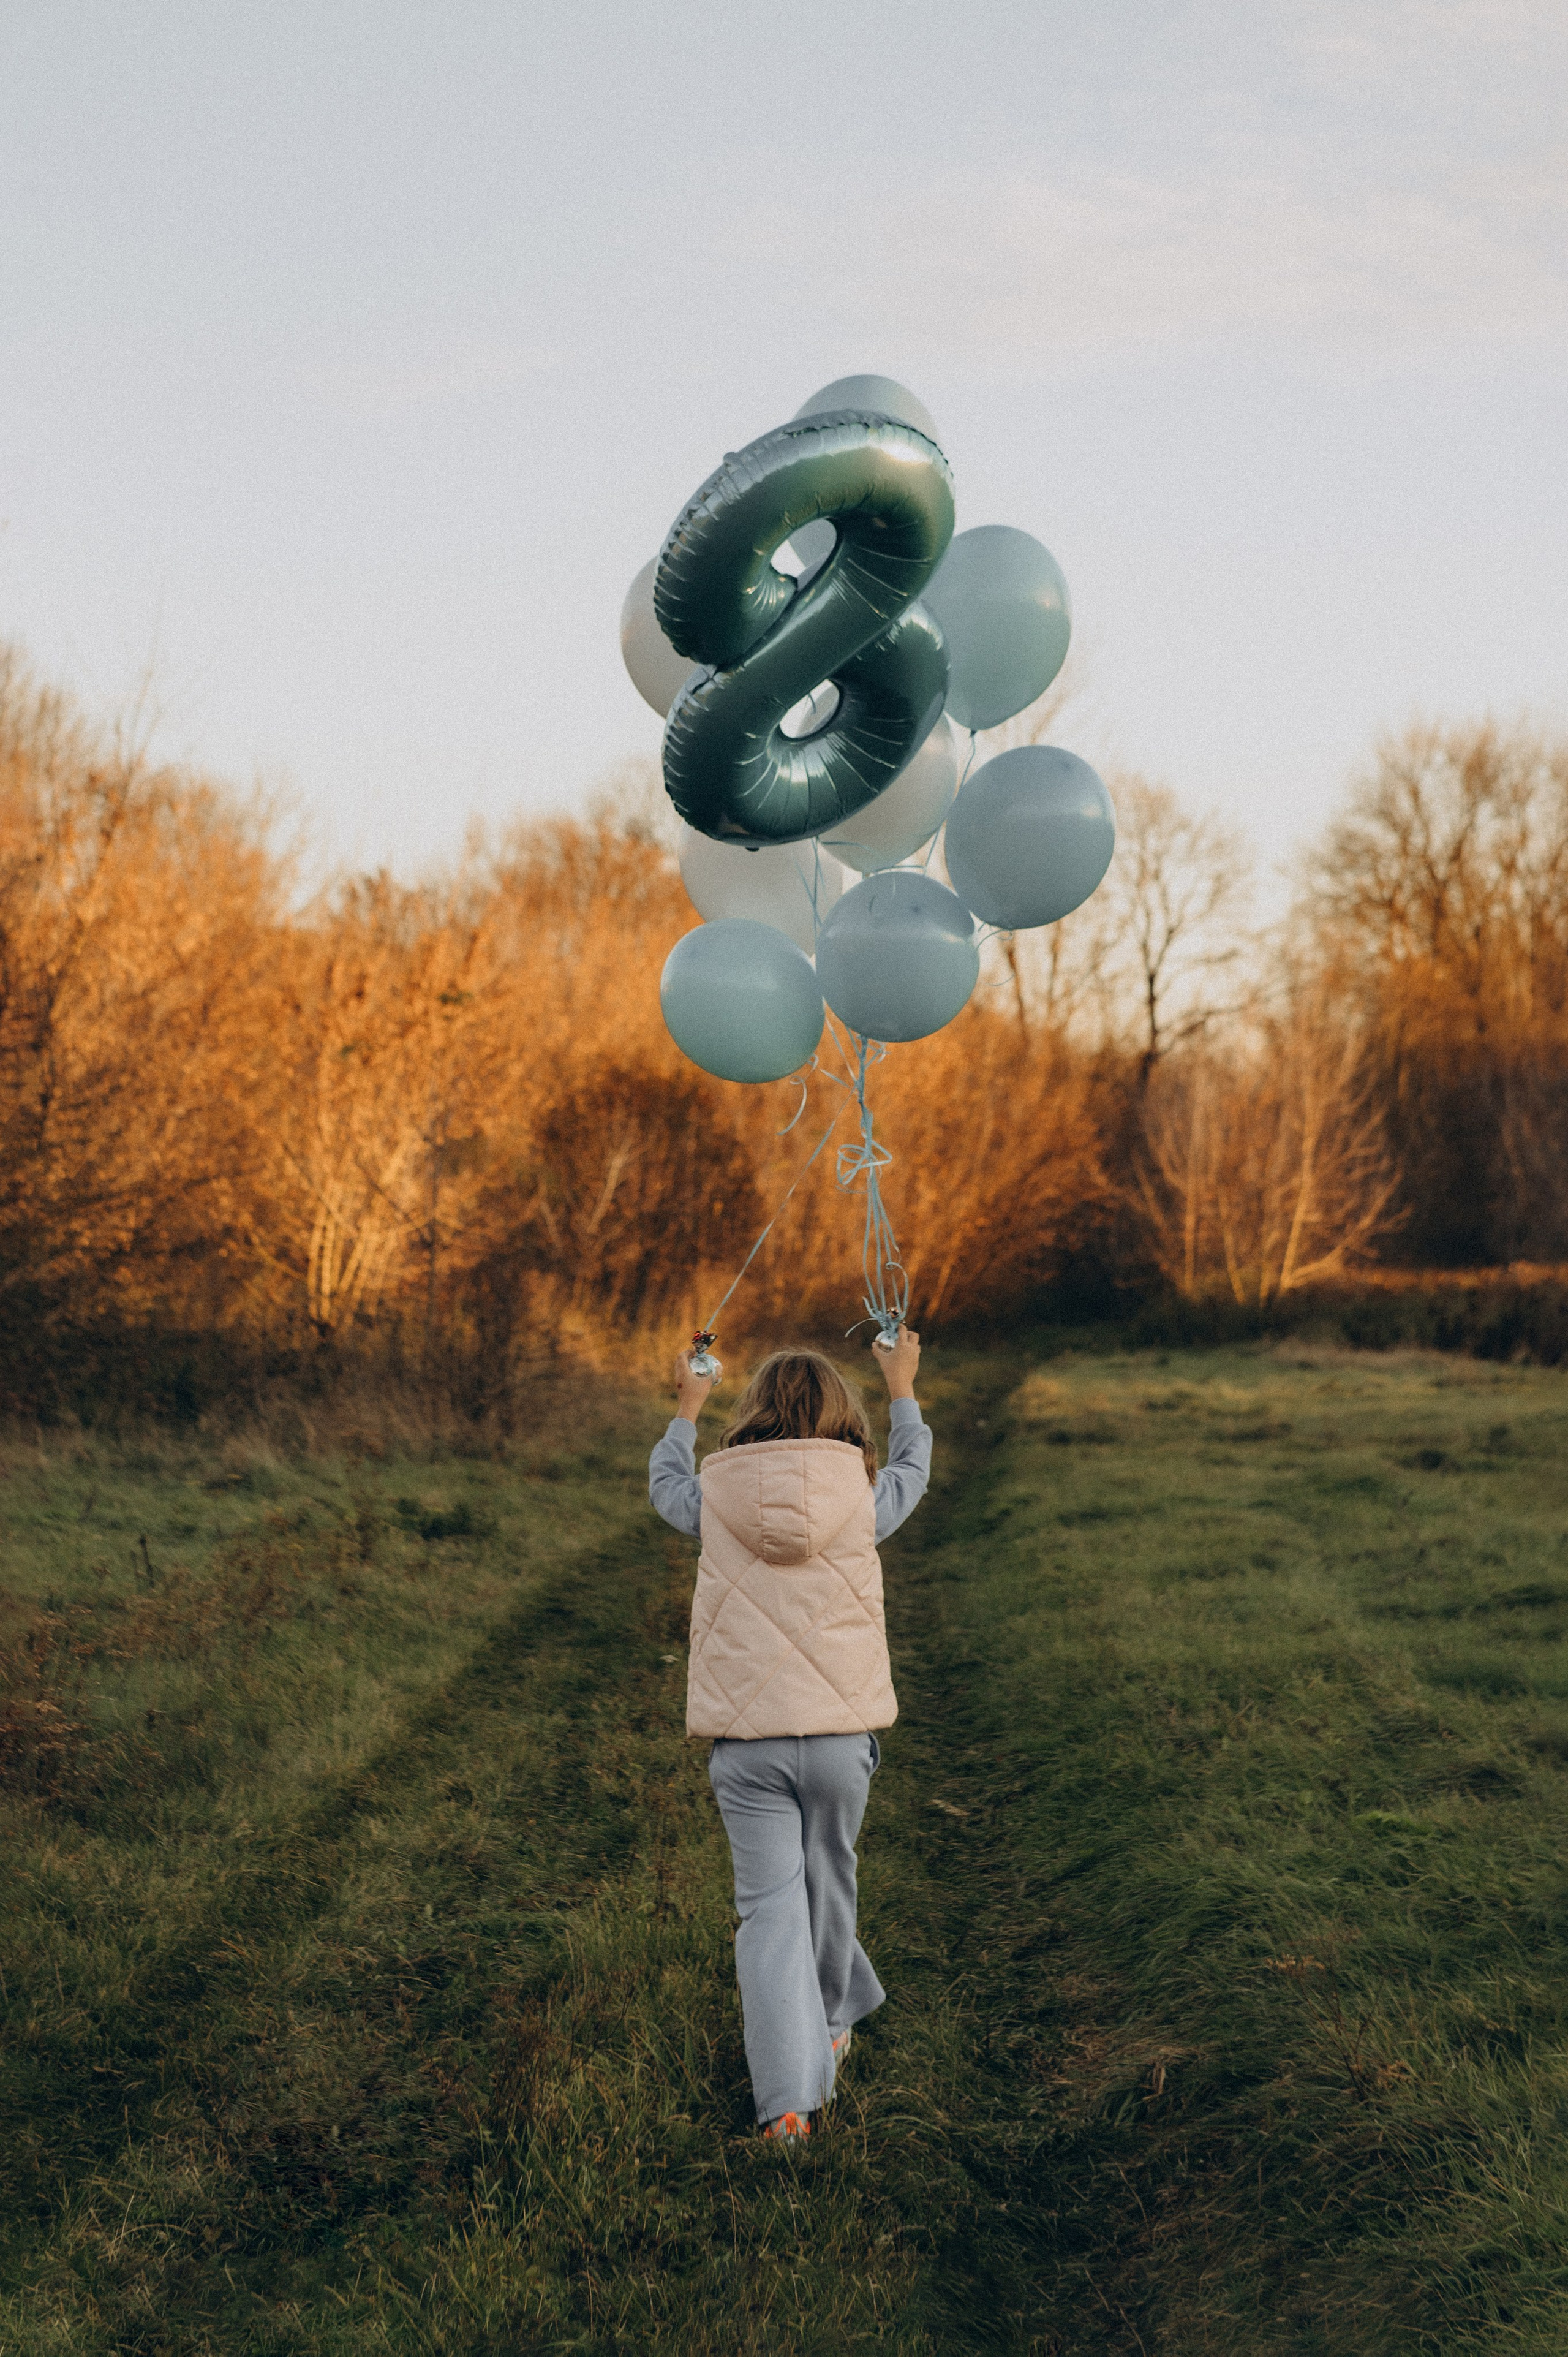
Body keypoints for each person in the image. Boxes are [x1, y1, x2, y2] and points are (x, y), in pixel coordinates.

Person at [647, 1327, 931, 2141]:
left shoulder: (715, 1498)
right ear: (842, 1417)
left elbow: (667, 1485)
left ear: (753, 1413)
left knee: (771, 1915)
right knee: (830, 1886)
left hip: (748, 1748)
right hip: (842, 1744)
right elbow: (913, 1471)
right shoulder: (861, 1499)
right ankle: (837, 2017)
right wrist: (903, 1386)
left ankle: (788, 2111)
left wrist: (686, 1407)